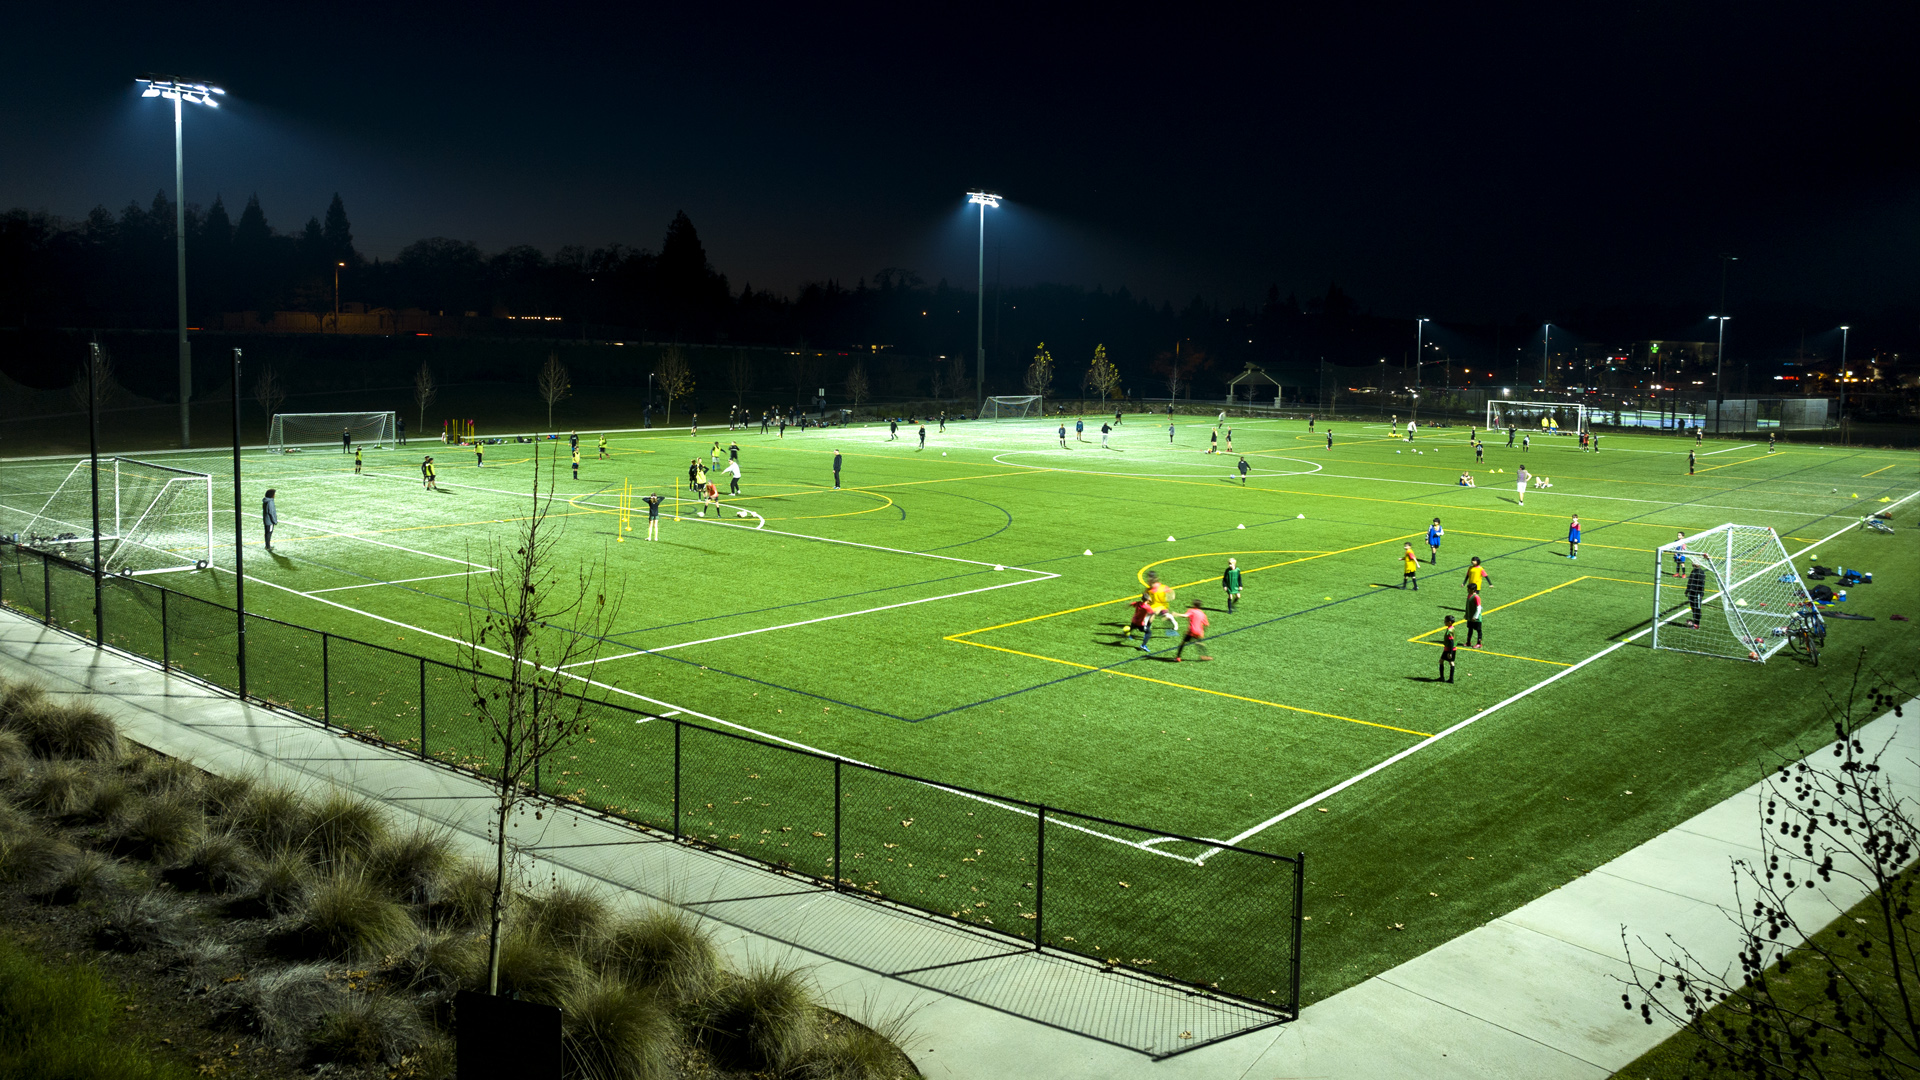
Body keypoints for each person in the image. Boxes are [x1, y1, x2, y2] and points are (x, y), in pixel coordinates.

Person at [1685, 562, 1707, 627]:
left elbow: (1701, 584)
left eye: (1694, 562)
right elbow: (1690, 581)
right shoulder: (1693, 571)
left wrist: (1701, 593)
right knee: (1693, 607)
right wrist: (1687, 590)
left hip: (1697, 593)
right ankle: (1695, 620)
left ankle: (1697, 624)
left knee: (1697, 607)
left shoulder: (1700, 572)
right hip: (1691, 592)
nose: (1692, 563)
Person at [1439, 615, 1458, 683]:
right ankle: (1451, 679)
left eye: (1445, 621)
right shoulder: (1452, 628)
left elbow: (1451, 641)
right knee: (1451, 662)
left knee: (1441, 661)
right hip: (1453, 649)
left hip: (1448, 649)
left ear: (1449, 622)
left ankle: (1442, 677)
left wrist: (1450, 652)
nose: (1444, 622)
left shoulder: (1449, 630)